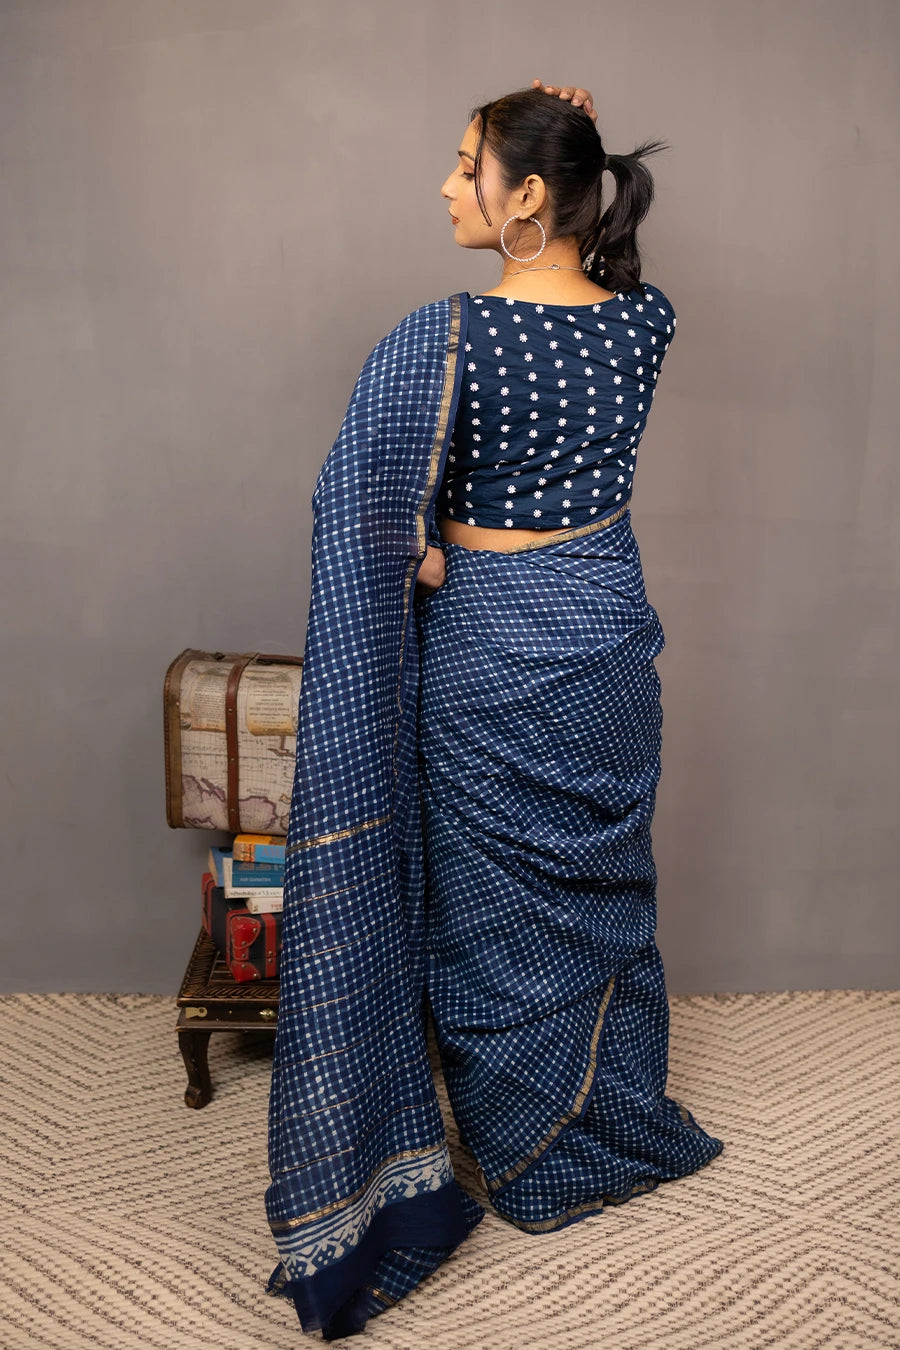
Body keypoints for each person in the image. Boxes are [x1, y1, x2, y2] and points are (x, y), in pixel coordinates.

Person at [265, 81, 724, 1341]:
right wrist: (564, 138)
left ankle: (527, 1163)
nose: (444, 184)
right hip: (608, 638)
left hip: (493, 646)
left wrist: (416, 564)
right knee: (601, 892)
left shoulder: (447, 335)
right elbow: (603, 268)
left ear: (524, 194)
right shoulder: (647, 321)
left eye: (465, 161)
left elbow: (356, 514)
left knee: (486, 914)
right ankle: (617, 1132)